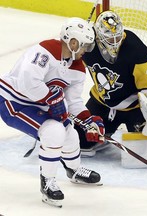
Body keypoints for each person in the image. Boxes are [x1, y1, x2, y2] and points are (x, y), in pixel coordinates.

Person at [0, 17, 105, 207]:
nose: (86, 51)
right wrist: (52, 98)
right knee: (54, 132)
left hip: (40, 104)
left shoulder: (78, 68)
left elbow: (73, 101)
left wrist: (90, 120)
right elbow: (28, 81)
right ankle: (47, 183)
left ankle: (73, 171)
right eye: (85, 46)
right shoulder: (46, 50)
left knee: (70, 133)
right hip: (13, 101)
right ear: (73, 42)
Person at [74, 10, 147, 157]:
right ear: (98, 36)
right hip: (102, 104)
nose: (114, 42)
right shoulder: (87, 43)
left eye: (117, 36)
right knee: (77, 141)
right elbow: (67, 59)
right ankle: (106, 132)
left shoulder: (136, 49)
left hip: (134, 108)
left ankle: (137, 127)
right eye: (109, 38)